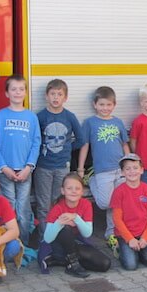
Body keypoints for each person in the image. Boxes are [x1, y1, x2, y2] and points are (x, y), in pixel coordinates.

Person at [78, 86, 130, 256]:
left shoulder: (118, 122)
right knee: (105, 202)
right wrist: (80, 168)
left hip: (119, 169)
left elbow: (124, 144)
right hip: (102, 171)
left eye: (108, 105)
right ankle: (92, 180)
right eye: (101, 104)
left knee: (119, 202)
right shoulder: (90, 123)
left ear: (114, 105)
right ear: (95, 104)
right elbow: (85, 146)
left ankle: (111, 233)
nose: (105, 108)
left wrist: (129, 165)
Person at [0, 75, 41, 246]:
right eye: (13, 89)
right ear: (6, 93)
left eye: (21, 89)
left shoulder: (31, 117)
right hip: (5, 171)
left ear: (26, 92)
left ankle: (24, 245)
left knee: (23, 209)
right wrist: (4, 168)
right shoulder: (0, 115)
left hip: (25, 171)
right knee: (9, 207)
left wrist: (28, 167)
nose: (18, 92)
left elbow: (36, 143)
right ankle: (10, 245)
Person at [34, 79, 84, 235]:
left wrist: (67, 149)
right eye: (52, 94)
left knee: (59, 202)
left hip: (62, 167)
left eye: (59, 94)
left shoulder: (69, 117)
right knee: (43, 204)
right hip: (43, 167)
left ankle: (57, 234)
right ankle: (44, 236)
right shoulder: (40, 117)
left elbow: (81, 139)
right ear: (46, 96)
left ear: (65, 98)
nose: (56, 97)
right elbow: (34, 141)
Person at [42, 173, 111, 277]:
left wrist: (76, 218)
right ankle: (72, 264)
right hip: (56, 245)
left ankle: (64, 261)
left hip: (76, 244)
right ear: (63, 191)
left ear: (82, 191)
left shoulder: (86, 204)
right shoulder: (57, 207)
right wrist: (59, 223)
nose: (73, 191)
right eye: (69, 188)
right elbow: (47, 238)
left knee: (104, 264)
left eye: (77, 188)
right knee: (66, 228)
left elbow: (87, 233)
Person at [110, 153, 147, 271]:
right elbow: (117, 219)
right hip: (126, 235)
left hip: (143, 233)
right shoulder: (119, 192)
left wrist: (146, 238)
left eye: (135, 168)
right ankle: (120, 248)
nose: (132, 171)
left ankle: (139, 251)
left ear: (142, 170)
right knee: (131, 266)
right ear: (122, 173)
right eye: (127, 169)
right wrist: (130, 239)